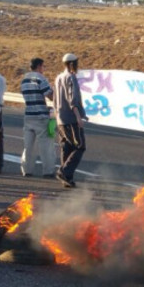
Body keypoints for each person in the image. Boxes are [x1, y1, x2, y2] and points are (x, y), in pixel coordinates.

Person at [53, 53, 87, 188]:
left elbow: (55, 99)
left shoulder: (58, 78)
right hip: (71, 117)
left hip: (60, 118)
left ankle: (67, 178)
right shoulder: (70, 77)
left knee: (67, 147)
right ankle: (64, 171)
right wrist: (78, 117)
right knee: (80, 146)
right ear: (73, 64)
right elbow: (73, 99)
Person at [19, 57, 56, 178]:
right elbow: (50, 96)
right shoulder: (40, 78)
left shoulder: (24, 80)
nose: (43, 69)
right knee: (46, 145)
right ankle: (48, 171)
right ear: (39, 66)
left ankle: (26, 169)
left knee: (28, 146)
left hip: (28, 115)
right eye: (43, 67)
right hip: (41, 116)